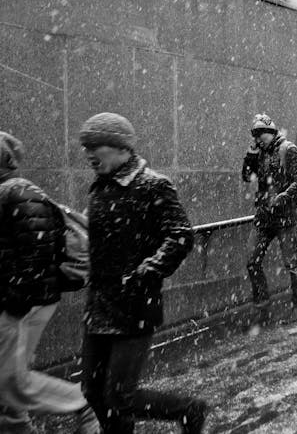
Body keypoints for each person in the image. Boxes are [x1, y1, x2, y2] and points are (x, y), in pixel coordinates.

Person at [78, 113, 207, 433]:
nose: (89, 154)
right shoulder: (100, 188)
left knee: (120, 395)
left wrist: (146, 272)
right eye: (86, 147)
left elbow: (180, 235)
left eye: (96, 146)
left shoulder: (153, 185)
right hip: (99, 304)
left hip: (134, 304)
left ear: (121, 147)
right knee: (92, 391)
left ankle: (189, 409)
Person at [0, 132, 99, 434]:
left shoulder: (18, 192)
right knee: (8, 377)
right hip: (19, 298)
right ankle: (15, 427)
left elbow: (37, 253)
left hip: (26, 302)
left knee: (8, 379)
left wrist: (15, 303)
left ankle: (81, 405)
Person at [242, 114, 297, 325]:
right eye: (255, 135)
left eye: (260, 134)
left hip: (284, 217)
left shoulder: (288, 150)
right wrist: (251, 155)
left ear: (270, 132)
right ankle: (262, 308)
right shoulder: (258, 153)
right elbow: (246, 176)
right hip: (263, 216)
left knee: (292, 264)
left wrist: (284, 196)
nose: (258, 139)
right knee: (252, 261)